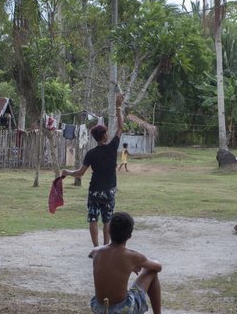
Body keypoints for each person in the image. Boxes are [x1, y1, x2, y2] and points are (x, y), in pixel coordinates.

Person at [62, 93, 124, 248]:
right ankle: (106, 247)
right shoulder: (112, 148)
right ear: (103, 136)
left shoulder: (91, 153)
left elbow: (80, 173)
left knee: (93, 219)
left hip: (94, 191)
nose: (108, 133)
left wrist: (67, 173)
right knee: (107, 220)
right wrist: (118, 107)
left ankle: (96, 248)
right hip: (109, 191)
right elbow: (121, 126)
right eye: (106, 132)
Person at [90, 212, 161, 314]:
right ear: (130, 235)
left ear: (109, 231)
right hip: (122, 310)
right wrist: (135, 264)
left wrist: (129, 265)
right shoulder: (132, 256)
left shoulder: (96, 252)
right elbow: (158, 267)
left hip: (99, 308)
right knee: (151, 271)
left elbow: (96, 254)